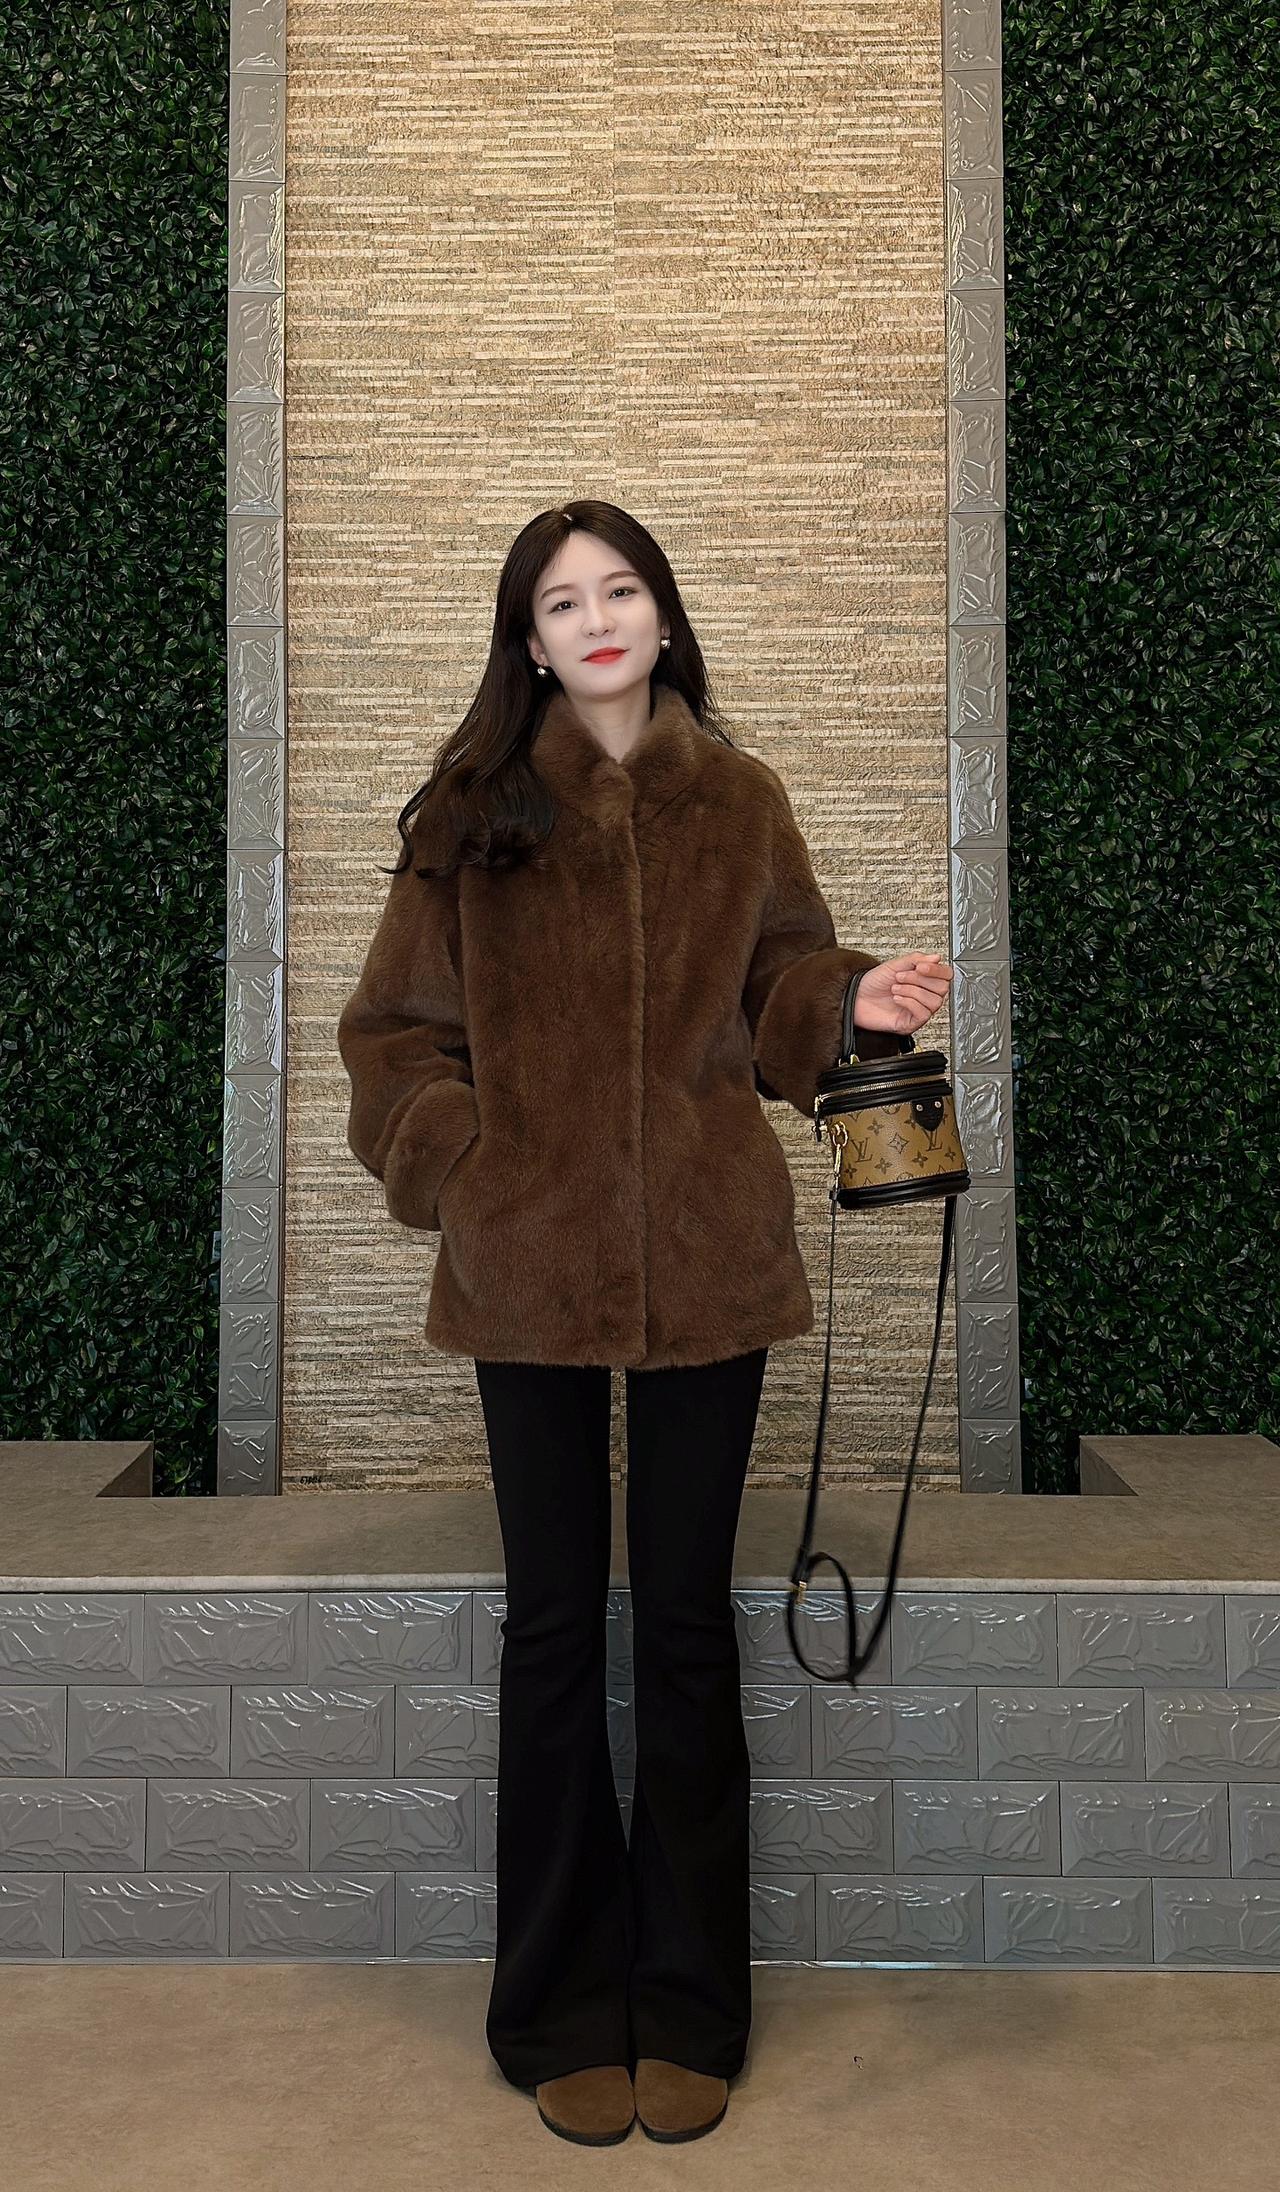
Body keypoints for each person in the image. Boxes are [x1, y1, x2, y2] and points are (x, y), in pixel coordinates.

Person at [337, 499, 953, 2145]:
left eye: (621, 590)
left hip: (707, 1255)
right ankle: (552, 2004)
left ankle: (688, 2004)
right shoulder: (470, 814)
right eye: (562, 601)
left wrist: (852, 1002)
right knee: (553, 1631)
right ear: (530, 641)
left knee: (683, 1626)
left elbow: (780, 988)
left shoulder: (741, 801)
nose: (597, 618)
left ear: (664, 618)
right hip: (525, 1267)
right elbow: (392, 1036)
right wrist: (469, 1174)